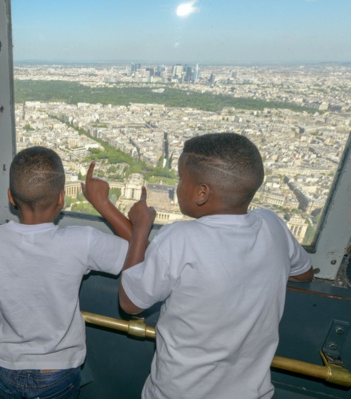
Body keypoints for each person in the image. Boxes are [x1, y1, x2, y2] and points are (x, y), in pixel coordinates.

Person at [119, 133, 314, 399]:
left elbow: (130, 303)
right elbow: (304, 273)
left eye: (180, 180)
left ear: (202, 193)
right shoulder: (272, 224)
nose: (176, 187)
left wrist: (141, 228)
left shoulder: (180, 239)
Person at [0, 146, 155, 399]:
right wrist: (103, 203)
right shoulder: (81, 240)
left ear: (11, 197)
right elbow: (140, 250)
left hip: (8, 366)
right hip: (58, 369)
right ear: (61, 199)